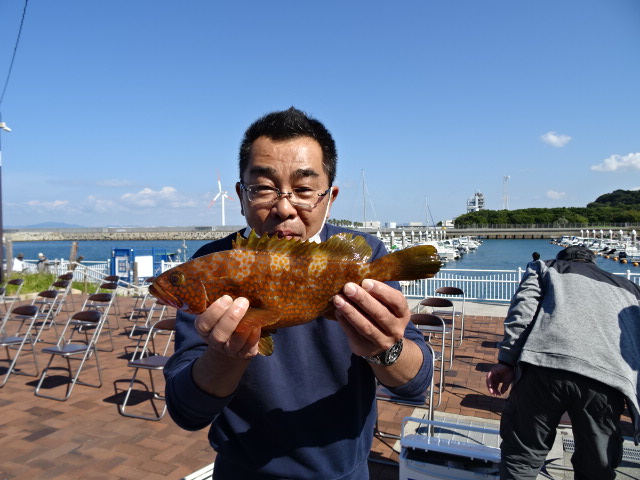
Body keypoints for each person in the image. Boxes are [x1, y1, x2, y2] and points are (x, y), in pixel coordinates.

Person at [163, 107, 433, 479]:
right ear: (241, 196)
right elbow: (187, 411)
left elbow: (415, 384)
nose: (284, 208)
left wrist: (385, 348)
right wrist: (225, 357)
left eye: (304, 190)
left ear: (330, 197)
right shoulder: (211, 264)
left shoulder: (364, 256)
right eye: (263, 188)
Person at [486, 245, 640, 480]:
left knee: (522, 458)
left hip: (544, 366)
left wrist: (507, 361)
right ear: (593, 262)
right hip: (606, 379)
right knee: (597, 466)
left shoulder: (544, 267)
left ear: (563, 258)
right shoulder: (629, 288)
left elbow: (522, 312)